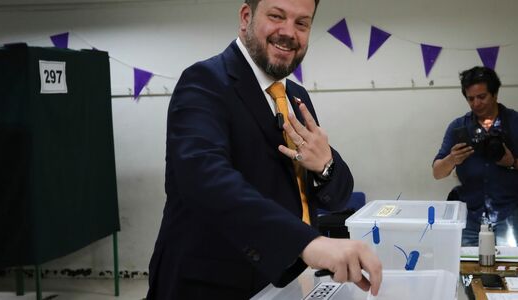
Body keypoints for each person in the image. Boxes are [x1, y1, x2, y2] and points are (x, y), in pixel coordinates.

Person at [146, 0, 382, 298]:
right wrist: (305, 243)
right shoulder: (205, 81)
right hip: (210, 284)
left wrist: (326, 164)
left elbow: (339, 196)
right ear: (246, 17)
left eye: (302, 23)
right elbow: (205, 180)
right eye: (276, 16)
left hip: (283, 280)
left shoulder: (296, 96)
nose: (288, 32)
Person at [433, 66, 518, 247]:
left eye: (482, 97)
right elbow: (437, 172)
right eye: (470, 99)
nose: (476, 104)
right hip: (469, 215)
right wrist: (452, 159)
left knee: (509, 270)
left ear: (495, 94)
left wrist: (513, 162)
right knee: (469, 272)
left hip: (508, 213)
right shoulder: (458, 127)